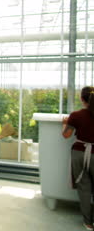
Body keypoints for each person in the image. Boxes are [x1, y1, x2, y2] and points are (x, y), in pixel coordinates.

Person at [62, 86, 94, 231]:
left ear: (82, 99)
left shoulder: (76, 115)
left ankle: (88, 223)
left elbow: (66, 135)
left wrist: (64, 123)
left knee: (84, 188)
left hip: (79, 153)